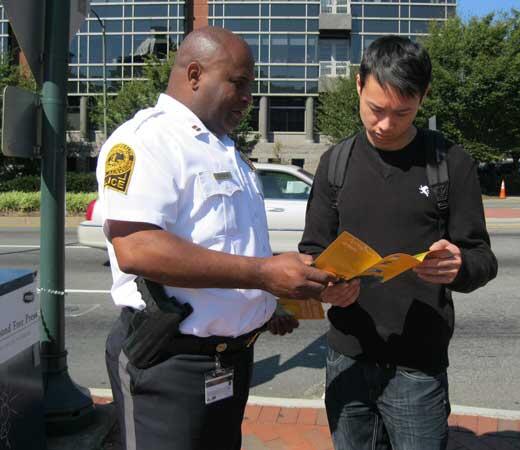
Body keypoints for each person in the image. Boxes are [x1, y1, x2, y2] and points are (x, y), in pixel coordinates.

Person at [98, 27, 335, 450]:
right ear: (194, 74)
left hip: (231, 361)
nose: (248, 97)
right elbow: (137, 247)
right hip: (169, 365)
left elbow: (226, 246)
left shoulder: (225, 150)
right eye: (239, 84)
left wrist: (264, 305)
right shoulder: (145, 141)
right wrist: (262, 275)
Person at [299, 36, 498, 450]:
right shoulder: (335, 163)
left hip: (418, 367)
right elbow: (313, 249)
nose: (386, 125)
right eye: (376, 109)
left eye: (402, 113)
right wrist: (327, 284)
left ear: (423, 97)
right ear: (358, 85)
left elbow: (482, 258)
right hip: (346, 359)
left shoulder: (450, 163)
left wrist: (458, 267)